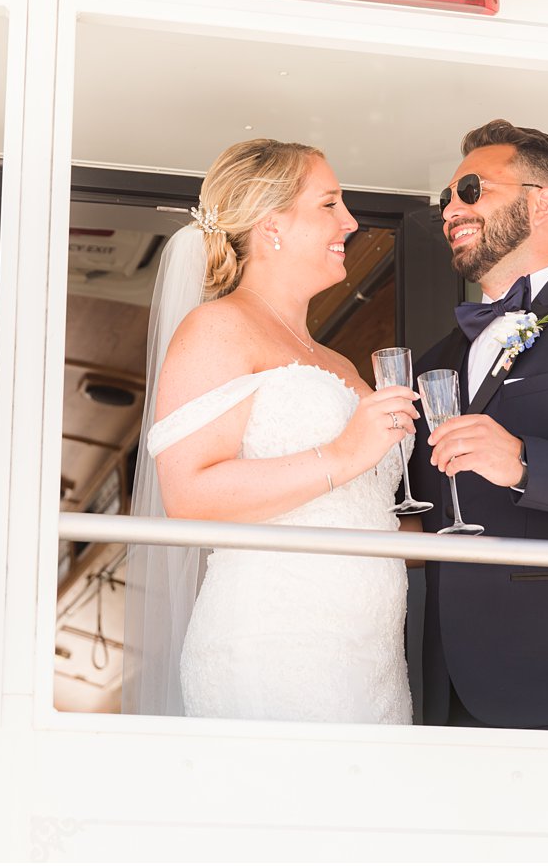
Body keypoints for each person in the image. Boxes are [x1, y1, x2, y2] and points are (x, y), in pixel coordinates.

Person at [123, 138, 420, 724]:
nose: (351, 221)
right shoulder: (218, 328)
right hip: (275, 645)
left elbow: (358, 509)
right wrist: (343, 451)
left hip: (374, 656)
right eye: (330, 204)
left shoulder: (338, 363)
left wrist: (433, 543)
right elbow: (190, 496)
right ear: (271, 226)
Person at [409, 119, 548, 732]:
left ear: (540, 203)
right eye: (446, 199)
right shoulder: (433, 361)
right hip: (446, 679)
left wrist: (524, 464)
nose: (450, 208)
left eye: (471, 189)